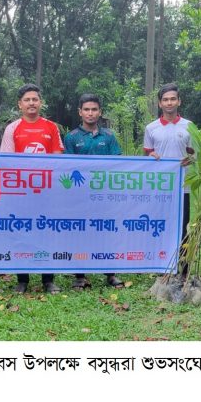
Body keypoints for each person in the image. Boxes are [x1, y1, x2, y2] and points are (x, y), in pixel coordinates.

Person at [0, 83, 64, 294]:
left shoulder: (51, 127)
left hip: (46, 191)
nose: (31, 103)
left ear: (40, 102)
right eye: (27, 100)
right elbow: (7, 162)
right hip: (20, 191)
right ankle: (22, 279)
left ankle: (48, 280)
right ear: (20, 104)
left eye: (34, 99)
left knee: (47, 233)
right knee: (21, 233)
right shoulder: (12, 128)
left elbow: (57, 159)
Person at [63, 93, 124, 290]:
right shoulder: (71, 137)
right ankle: (80, 275)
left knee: (106, 231)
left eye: (94, 109)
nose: (90, 113)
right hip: (79, 196)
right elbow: (69, 167)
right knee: (80, 232)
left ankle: (110, 273)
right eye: (86, 110)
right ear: (80, 112)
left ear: (100, 112)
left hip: (104, 195)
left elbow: (118, 163)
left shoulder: (109, 136)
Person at [143, 83, 193, 273]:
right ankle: (160, 264)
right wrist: (151, 157)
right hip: (159, 187)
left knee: (182, 227)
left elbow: (195, 154)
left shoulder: (189, 126)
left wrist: (191, 160)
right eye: (165, 99)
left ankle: (184, 268)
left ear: (179, 101)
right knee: (160, 225)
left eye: (173, 99)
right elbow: (147, 154)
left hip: (182, 187)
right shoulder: (151, 128)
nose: (169, 103)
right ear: (159, 103)